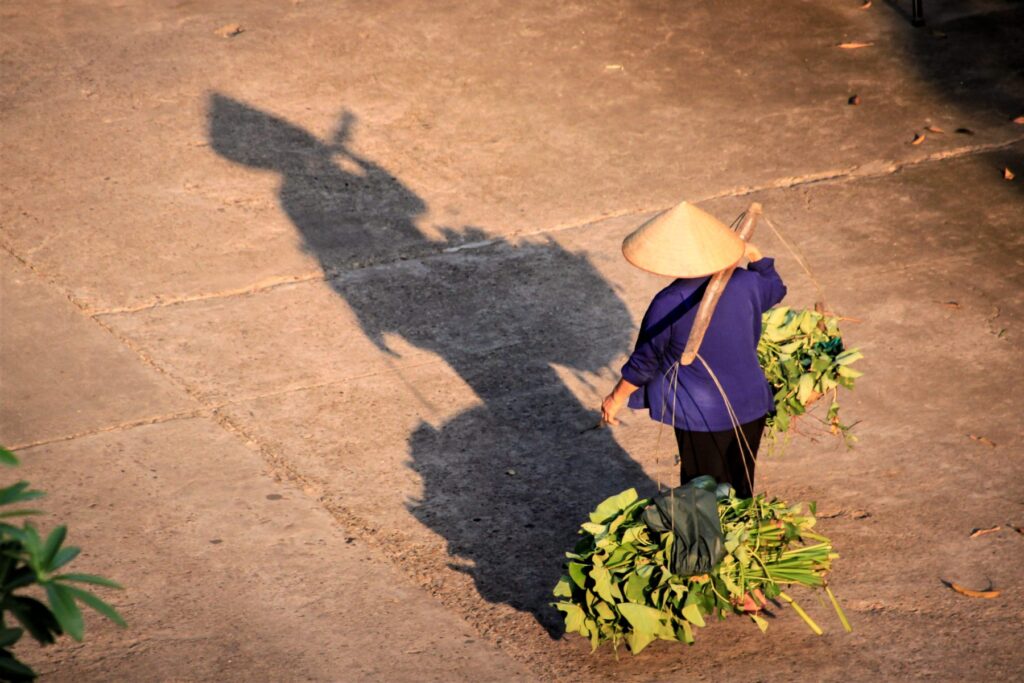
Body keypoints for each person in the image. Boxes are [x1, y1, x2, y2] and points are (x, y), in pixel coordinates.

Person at [600, 201, 786, 498]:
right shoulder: (748, 283)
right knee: (740, 484)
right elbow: (775, 287)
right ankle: (738, 538)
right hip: (751, 404)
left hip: (701, 413)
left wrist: (615, 398)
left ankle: (710, 543)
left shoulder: (668, 302)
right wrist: (755, 255)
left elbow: (645, 362)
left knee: (702, 492)